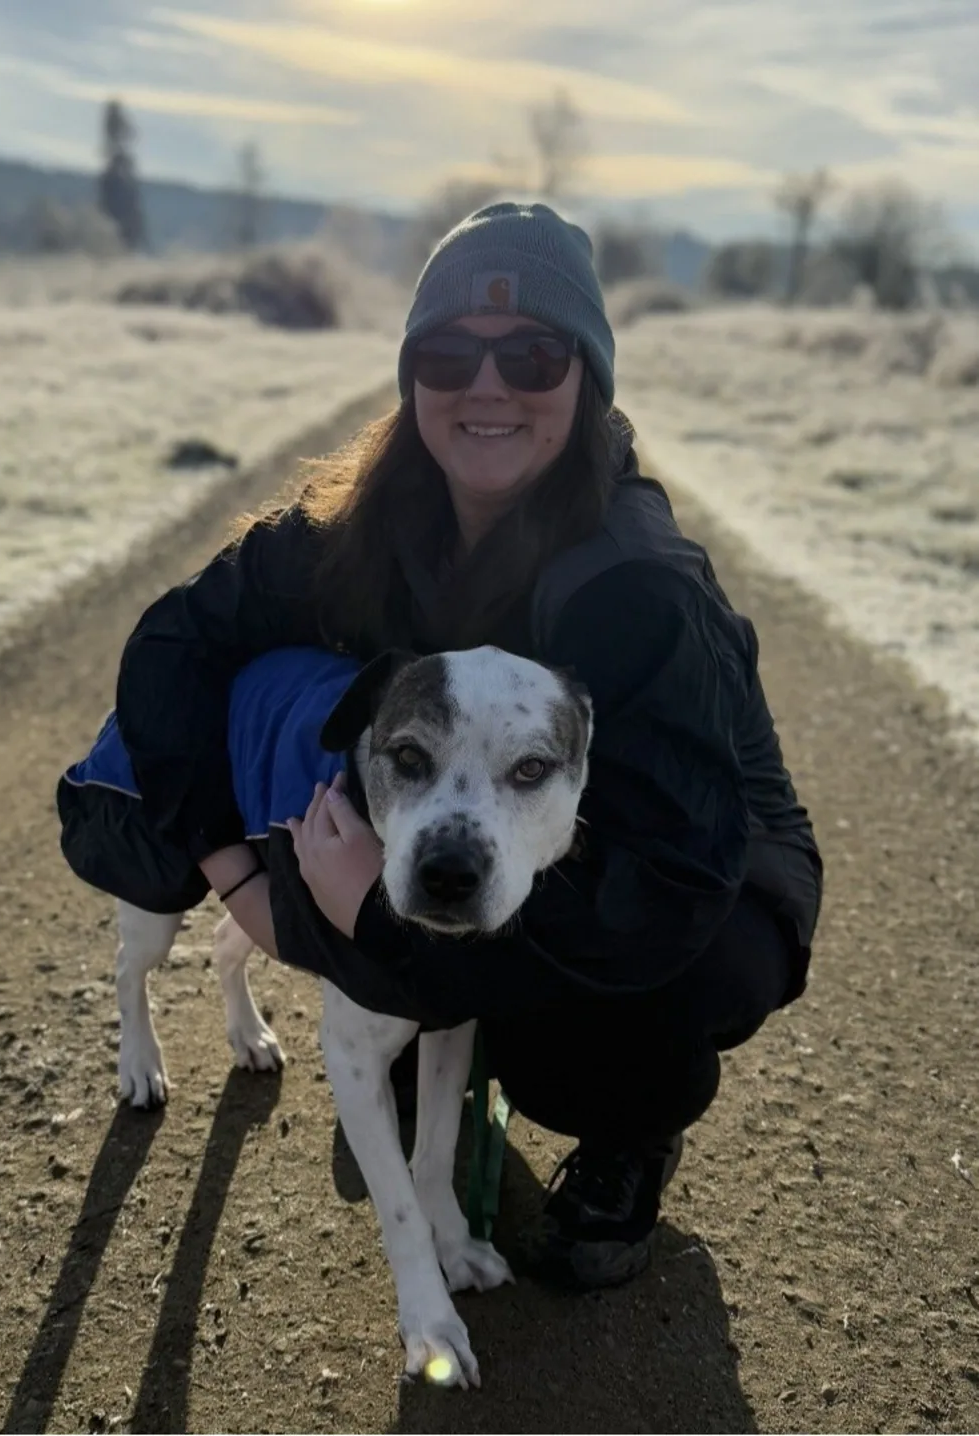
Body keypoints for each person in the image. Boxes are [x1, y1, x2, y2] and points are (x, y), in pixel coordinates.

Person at [104, 202, 823, 1290]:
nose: (487, 385)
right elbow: (171, 647)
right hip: (498, 827)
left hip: (686, 861)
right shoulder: (361, 524)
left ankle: (626, 1123)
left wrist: (373, 933)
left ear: (585, 377)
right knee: (440, 955)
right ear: (411, 380)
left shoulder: (637, 585)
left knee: (614, 1011)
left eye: (532, 353)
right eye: (448, 352)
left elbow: (672, 880)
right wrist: (236, 871)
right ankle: (426, 1010)